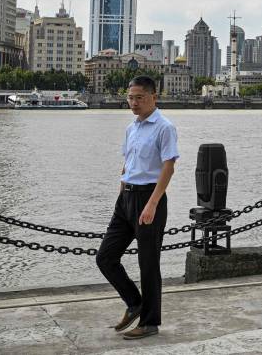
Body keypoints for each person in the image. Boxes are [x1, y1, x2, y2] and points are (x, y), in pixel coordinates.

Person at [95, 75, 179, 340]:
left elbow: (169, 166)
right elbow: (127, 163)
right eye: (130, 97)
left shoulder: (164, 127)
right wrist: (121, 196)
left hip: (149, 198)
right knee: (106, 257)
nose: (133, 102)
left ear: (154, 96)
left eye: (139, 97)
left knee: (148, 264)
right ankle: (135, 302)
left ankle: (150, 322)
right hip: (127, 198)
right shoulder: (132, 128)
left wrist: (152, 203)